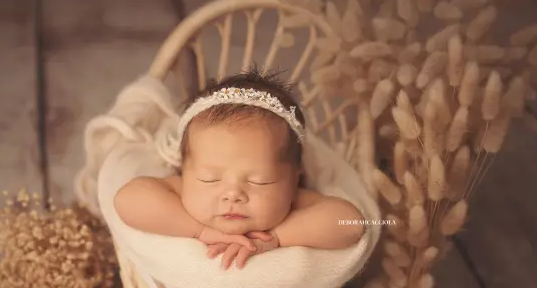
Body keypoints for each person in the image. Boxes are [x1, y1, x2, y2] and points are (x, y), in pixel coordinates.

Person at [114, 67, 364, 270]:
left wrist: (277, 237)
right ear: (183, 170)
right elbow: (127, 200)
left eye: (260, 181)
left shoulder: (294, 202)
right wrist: (199, 231)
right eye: (210, 179)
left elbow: (351, 223)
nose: (233, 194)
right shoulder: (180, 194)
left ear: (294, 177)